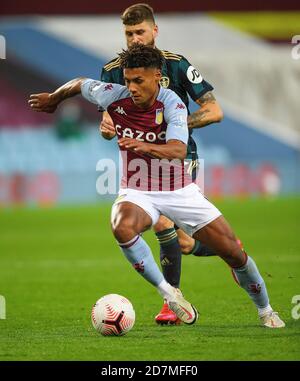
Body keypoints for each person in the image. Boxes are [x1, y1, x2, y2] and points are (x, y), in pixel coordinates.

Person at [29, 44, 285, 329]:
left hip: (179, 191)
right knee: (121, 225)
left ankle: (266, 310)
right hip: (137, 192)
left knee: (234, 254)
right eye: (127, 80)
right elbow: (79, 83)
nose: (131, 87)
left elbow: (177, 149)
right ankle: (169, 292)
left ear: (157, 77)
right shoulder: (113, 95)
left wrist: (143, 145)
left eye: (138, 81)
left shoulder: (172, 103)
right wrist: (54, 98)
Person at [99, 3, 229, 324]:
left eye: (140, 31)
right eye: (129, 33)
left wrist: (176, 127)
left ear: (154, 31)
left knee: (161, 224)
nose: (135, 39)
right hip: (139, 164)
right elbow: (107, 121)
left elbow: (214, 111)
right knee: (183, 243)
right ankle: (232, 250)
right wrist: (106, 125)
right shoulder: (112, 70)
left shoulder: (177, 65)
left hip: (180, 157)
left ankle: (172, 303)